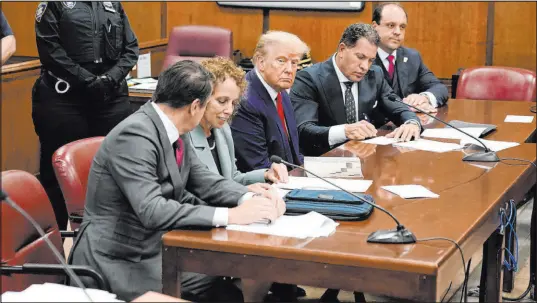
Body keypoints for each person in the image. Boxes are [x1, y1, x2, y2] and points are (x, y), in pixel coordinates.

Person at [69, 60, 284, 301]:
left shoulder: (172, 129)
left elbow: (204, 180)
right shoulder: (135, 135)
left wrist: (253, 198)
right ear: (195, 107)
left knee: (232, 271)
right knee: (226, 276)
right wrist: (231, 216)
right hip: (119, 260)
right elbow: (152, 209)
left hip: (155, 247)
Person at [182, 56, 291, 301]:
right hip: (201, 226)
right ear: (199, 99)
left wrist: (264, 174)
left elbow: (231, 177)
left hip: (226, 217)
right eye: (221, 101)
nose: (229, 110)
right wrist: (245, 198)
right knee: (260, 253)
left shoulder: (222, 129)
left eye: (233, 102)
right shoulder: (185, 136)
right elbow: (201, 189)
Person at [32, 1, 138, 230]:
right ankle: (56, 245)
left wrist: (109, 79)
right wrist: (87, 80)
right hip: (64, 101)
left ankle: (111, 238)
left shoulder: (113, 4)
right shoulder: (54, 4)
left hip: (109, 99)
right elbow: (50, 50)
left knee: (116, 171)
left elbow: (131, 48)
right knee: (56, 175)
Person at [290, 23, 421, 157]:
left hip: (363, 159)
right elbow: (303, 130)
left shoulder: (374, 75)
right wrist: (345, 131)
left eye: (370, 60)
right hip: (324, 161)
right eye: (360, 57)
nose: (365, 67)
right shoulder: (309, 78)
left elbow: (398, 107)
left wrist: (411, 123)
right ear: (342, 50)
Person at [231, 31, 309, 173]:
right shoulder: (246, 100)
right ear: (261, 62)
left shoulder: (281, 91)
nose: (289, 70)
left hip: (290, 178)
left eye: (294, 63)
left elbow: (293, 154)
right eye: (281, 61)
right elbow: (257, 165)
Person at [371, 2, 448, 116]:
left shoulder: (412, 57)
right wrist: (407, 107)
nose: (397, 32)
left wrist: (424, 98)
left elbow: (439, 88)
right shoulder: (362, 58)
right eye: (391, 25)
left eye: (402, 27)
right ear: (374, 27)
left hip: (409, 126)